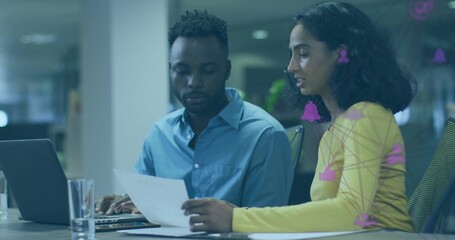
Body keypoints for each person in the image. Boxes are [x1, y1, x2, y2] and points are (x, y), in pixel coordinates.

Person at [181, 1, 416, 233]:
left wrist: (237, 217)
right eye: (291, 55)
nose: (291, 66)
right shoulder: (335, 129)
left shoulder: (366, 115)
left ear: (341, 53)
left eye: (303, 53)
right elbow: (329, 215)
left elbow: (351, 213)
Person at [96, 10, 294, 215]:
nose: (193, 82)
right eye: (182, 71)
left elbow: (266, 225)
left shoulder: (264, 135)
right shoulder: (159, 133)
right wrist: (123, 204)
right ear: (171, 70)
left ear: (226, 70)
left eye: (207, 70)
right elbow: (142, 203)